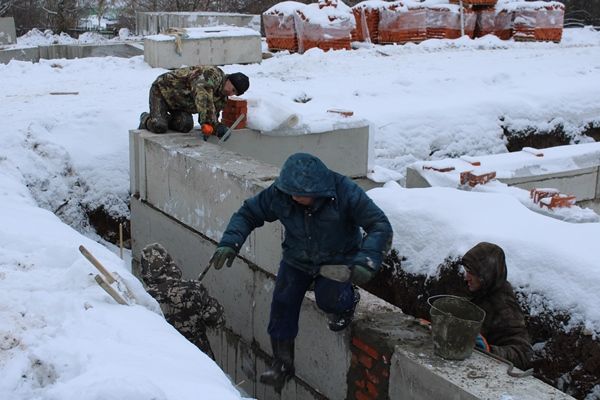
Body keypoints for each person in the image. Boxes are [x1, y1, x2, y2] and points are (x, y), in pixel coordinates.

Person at [208, 152, 393, 391]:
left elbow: (379, 225)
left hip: (336, 261)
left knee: (328, 299)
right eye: (290, 193)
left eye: (299, 194)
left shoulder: (345, 192)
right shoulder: (282, 194)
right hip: (298, 258)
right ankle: (282, 363)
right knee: (282, 303)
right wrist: (230, 242)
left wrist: (367, 259)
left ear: (316, 191)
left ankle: (348, 301)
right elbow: (249, 213)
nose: (293, 198)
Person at [140, 243, 224, 360]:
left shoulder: (143, 298)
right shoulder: (193, 288)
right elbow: (217, 320)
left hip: (164, 360)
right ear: (169, 263)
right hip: (200, 359)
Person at [461, 242, 533, 370]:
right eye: (466, 271)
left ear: (485, 275)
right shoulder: (479, 289)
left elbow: (524, 354)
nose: (466, 278)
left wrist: (488, 350)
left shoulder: (504, 306)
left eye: (471, 272)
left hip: (484, 371)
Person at [139, 66, 249, 135]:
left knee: (185, 125)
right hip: (163, 91)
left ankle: (162, 117)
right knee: (159, 126)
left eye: (235, 93)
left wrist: (214, 129)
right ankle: (146, 118)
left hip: (179, 104)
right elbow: (203, 98)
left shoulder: (222, 98)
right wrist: (207, 122)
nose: (231, 93)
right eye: (233, 88)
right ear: (229, 79)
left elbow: (213, 116)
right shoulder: (212, 75)